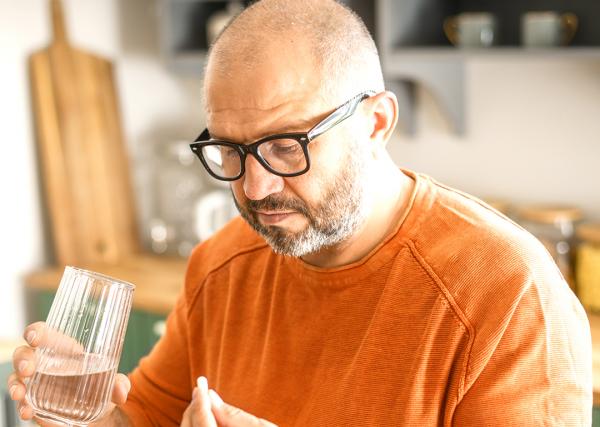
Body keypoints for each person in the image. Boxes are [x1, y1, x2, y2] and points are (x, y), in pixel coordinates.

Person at [8, 0, 592, 425]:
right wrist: (88, 418)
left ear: (376, 123)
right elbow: (151, 420)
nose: (256, 187)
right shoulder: (221, 263)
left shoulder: (508, 291)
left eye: (286, 145)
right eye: (230, 150)